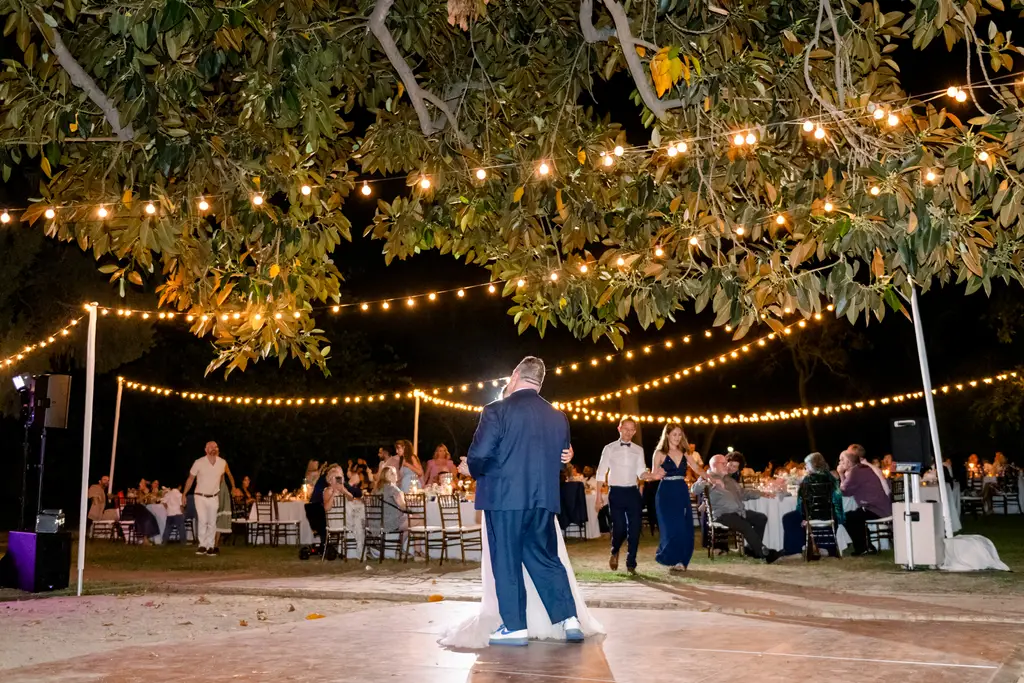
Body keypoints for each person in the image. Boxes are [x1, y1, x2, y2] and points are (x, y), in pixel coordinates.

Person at [456, 356, 594, 647]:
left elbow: (480, 454)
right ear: (540, 382)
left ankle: (515, 626)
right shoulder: (558, 416)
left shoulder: (495, 410)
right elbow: (561, 458)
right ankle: (570, 619)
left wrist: (472, 469)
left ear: (515, 375)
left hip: (504, 499)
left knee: (506, 560)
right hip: (542, 499)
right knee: (546, 557)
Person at [595, 417, 659, 574]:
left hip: (632, 492)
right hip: (616, 492)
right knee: (620, 528)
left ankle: (631, 563)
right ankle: (615, 550)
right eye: (626, 429)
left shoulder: (638, 450)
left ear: (635, 431)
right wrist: (598, 497)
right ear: (619, 429)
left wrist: (652, 475)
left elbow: (641, 472)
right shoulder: (609, 448)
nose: (628, 432)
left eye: (631, 430)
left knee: (635, 528)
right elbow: (601, 473)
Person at [692, 455, 781, 563]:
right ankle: (763, 554)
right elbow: (695, 489)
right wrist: (710, 481)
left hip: (737, 512)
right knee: (745, 525)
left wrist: (761, 493)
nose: (726, 466)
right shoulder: (707, 477)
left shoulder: (729, 480)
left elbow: (743, 493)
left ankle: (751, 549)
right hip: (722, 514)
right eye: (723, 464)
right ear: (714, 465)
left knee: (760, 518)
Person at [651, 424, 703, 572]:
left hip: (681, 491)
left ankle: (681, 560)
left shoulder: (685, 453)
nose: (677, 437)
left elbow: (697, 468)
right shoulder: (659, 453)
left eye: (680, 435)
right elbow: (654, 475)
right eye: (674, 434)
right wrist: (655, 474)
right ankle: (671, 557)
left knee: (683, 526)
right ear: (667, 435)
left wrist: (711, 477)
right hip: (665, 493)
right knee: (669, 527)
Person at [782, 452, 845, 556]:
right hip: (830, 516)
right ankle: (827, 548)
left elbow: (801, 503)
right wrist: (840, 518)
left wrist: (804, 517)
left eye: (807, 465)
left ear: (813, 465)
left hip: (811, 517)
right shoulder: (831, 479)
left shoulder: (807, 480)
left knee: (788, 518)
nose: (805, 467)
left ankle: (794, 550)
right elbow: (838, 500)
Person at [838, 448, 892, 556]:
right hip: (881, 507)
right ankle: (867, 546)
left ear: (848, 462)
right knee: (854, 516)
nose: (840, 463)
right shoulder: (863, 468)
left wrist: (840, 473)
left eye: (842, 460)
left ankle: (863, 548)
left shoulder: (855, 472)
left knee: (848, 517)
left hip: (875, 508)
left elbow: (844, 491)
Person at [183, 441, 229, 556]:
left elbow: (221, 479)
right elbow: (190, 479)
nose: (213, 448)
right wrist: (184, 494)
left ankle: (210, 546)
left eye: (215, 446)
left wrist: (218, 490)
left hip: (214, 497)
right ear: (205, 449)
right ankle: (202, 545)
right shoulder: (198, 462)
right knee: (203, 520)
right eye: (211, 447)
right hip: (200, 496)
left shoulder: (222, 463)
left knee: (212, 522)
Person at [304, 463, 356, 547]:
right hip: (336, 520)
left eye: (339, 478)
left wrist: (344, 491)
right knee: (358, 521)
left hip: (344, 518)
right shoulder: (328, 490)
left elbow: (351, 498)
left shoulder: (342, 489)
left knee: (359, 519)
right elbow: (327, 508)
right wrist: (333, 494)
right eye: (335, 478)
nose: (337, 481)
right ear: (330, 480)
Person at [373, 465, 408, 534]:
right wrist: (413, 508)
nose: (395, 475)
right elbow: (403, 507)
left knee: (408, 525)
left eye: (395, 473)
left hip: (375, 522)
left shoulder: (376, 489)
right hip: (389, 523)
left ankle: (400, 541)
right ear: (385, 477)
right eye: (392, 473)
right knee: (420, 521)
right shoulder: (392, 488)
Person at [214, 461, 237, 548]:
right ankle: (210, 543)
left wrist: (233, 487)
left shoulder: (223, 463)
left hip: (222, 490)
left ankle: (216, 544)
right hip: (212, 488)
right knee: (212, 517)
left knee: (220, 517)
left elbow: (230, 475)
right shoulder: (207, 462)